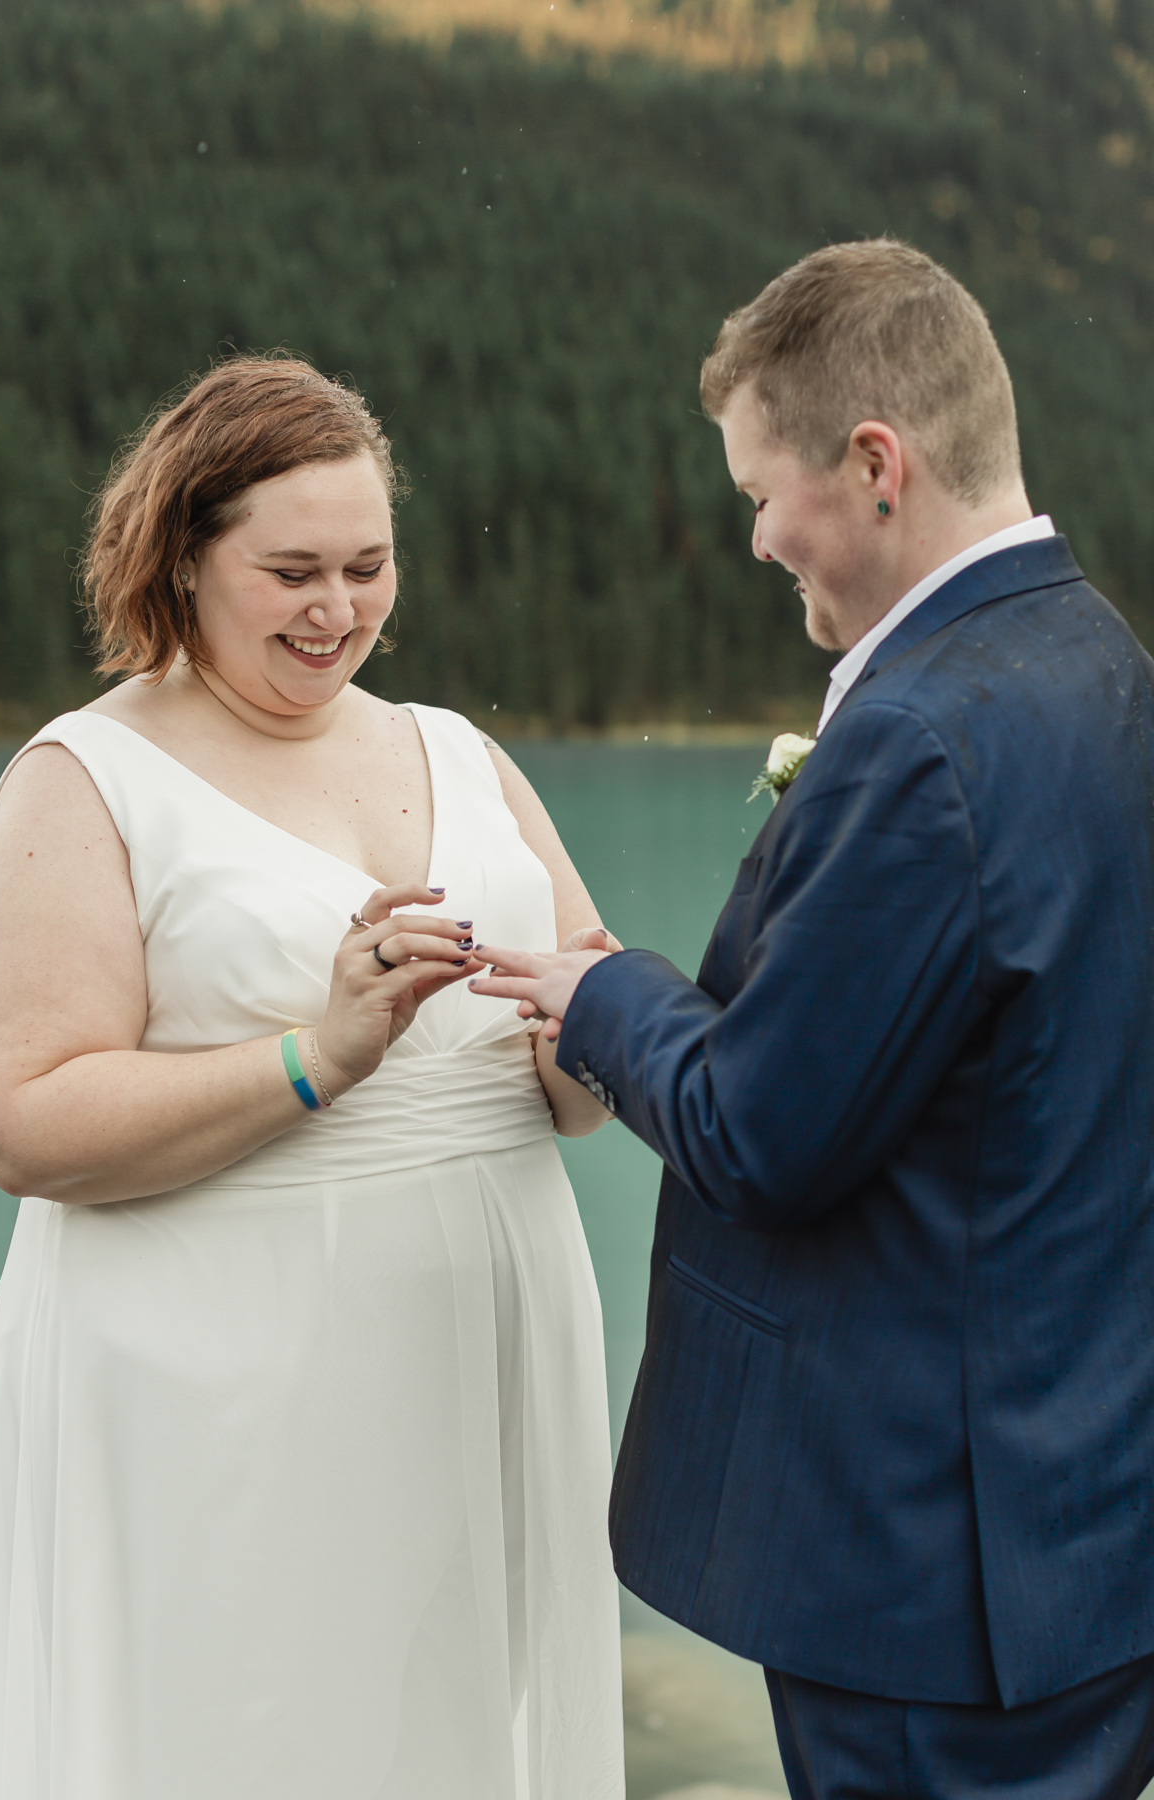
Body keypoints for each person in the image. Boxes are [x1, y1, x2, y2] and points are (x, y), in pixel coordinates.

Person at [471, 240, 1154, 1797]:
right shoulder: (1101, 660)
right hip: (1081, 1525)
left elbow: (764, 1130)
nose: (761, 536)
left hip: (929, 1572)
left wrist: (603, 994)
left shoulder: (924, 735)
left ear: (876, 463)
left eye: (763, 490)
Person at [0, 356, 624, 1800]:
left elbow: (578, 1038)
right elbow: (20, 1121)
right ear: (184, 560)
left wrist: (585, 1057)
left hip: (491, 1350)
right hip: (230, 1379)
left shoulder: (461, 751)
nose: (339, 611)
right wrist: (318, 1058)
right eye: (294, 571)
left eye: (368, 568)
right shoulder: (86, 780)